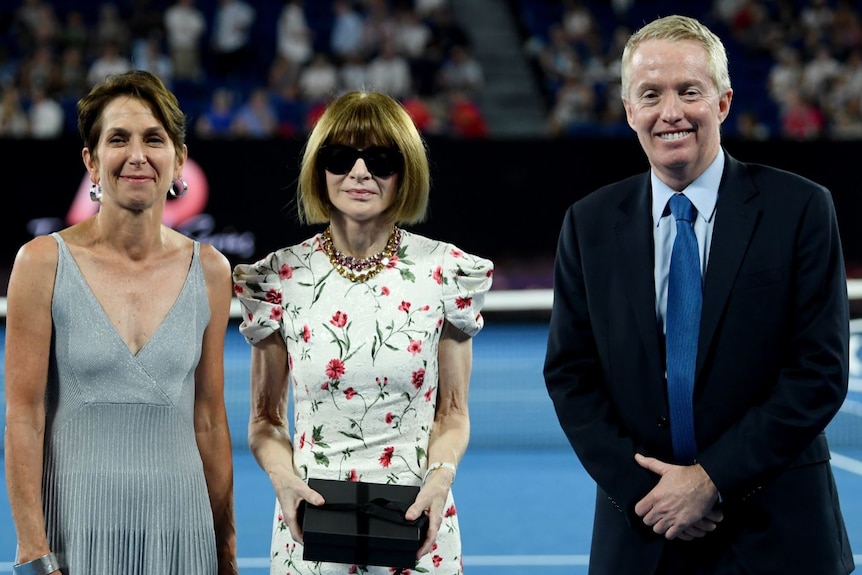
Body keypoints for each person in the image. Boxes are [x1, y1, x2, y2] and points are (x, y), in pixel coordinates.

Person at [543, 14, 854, 575]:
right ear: (629, 109)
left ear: (724, 102)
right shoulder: (588, 225)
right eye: (650, 94)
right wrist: (653, 495)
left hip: (779, 533)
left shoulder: (801, 210)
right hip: (643, 531)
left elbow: (820, 370)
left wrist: (710, 481)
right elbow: (570, 374)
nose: (671, 112)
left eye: (689, 91)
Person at [232, 90, 494, 574]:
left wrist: (440, 479)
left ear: (405, 171)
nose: (359, 172)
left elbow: (452, 415)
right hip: (309, 532)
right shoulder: (279, 279)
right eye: (340, 157)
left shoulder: (445, 272)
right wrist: (282, 478)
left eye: (380, 159)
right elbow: (265, 421)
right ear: (319, 168)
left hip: (420, 527)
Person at [4, 70, 238, 575]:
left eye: (154, 139)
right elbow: (23, 418)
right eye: (118, 139)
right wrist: (31, 550)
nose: (137, 155)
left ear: (178, 159)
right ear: (91, 161)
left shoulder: (213, 271)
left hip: (182, 532)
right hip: (75, 533)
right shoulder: (41, 263)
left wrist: (225, 551)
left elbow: (211, 421)